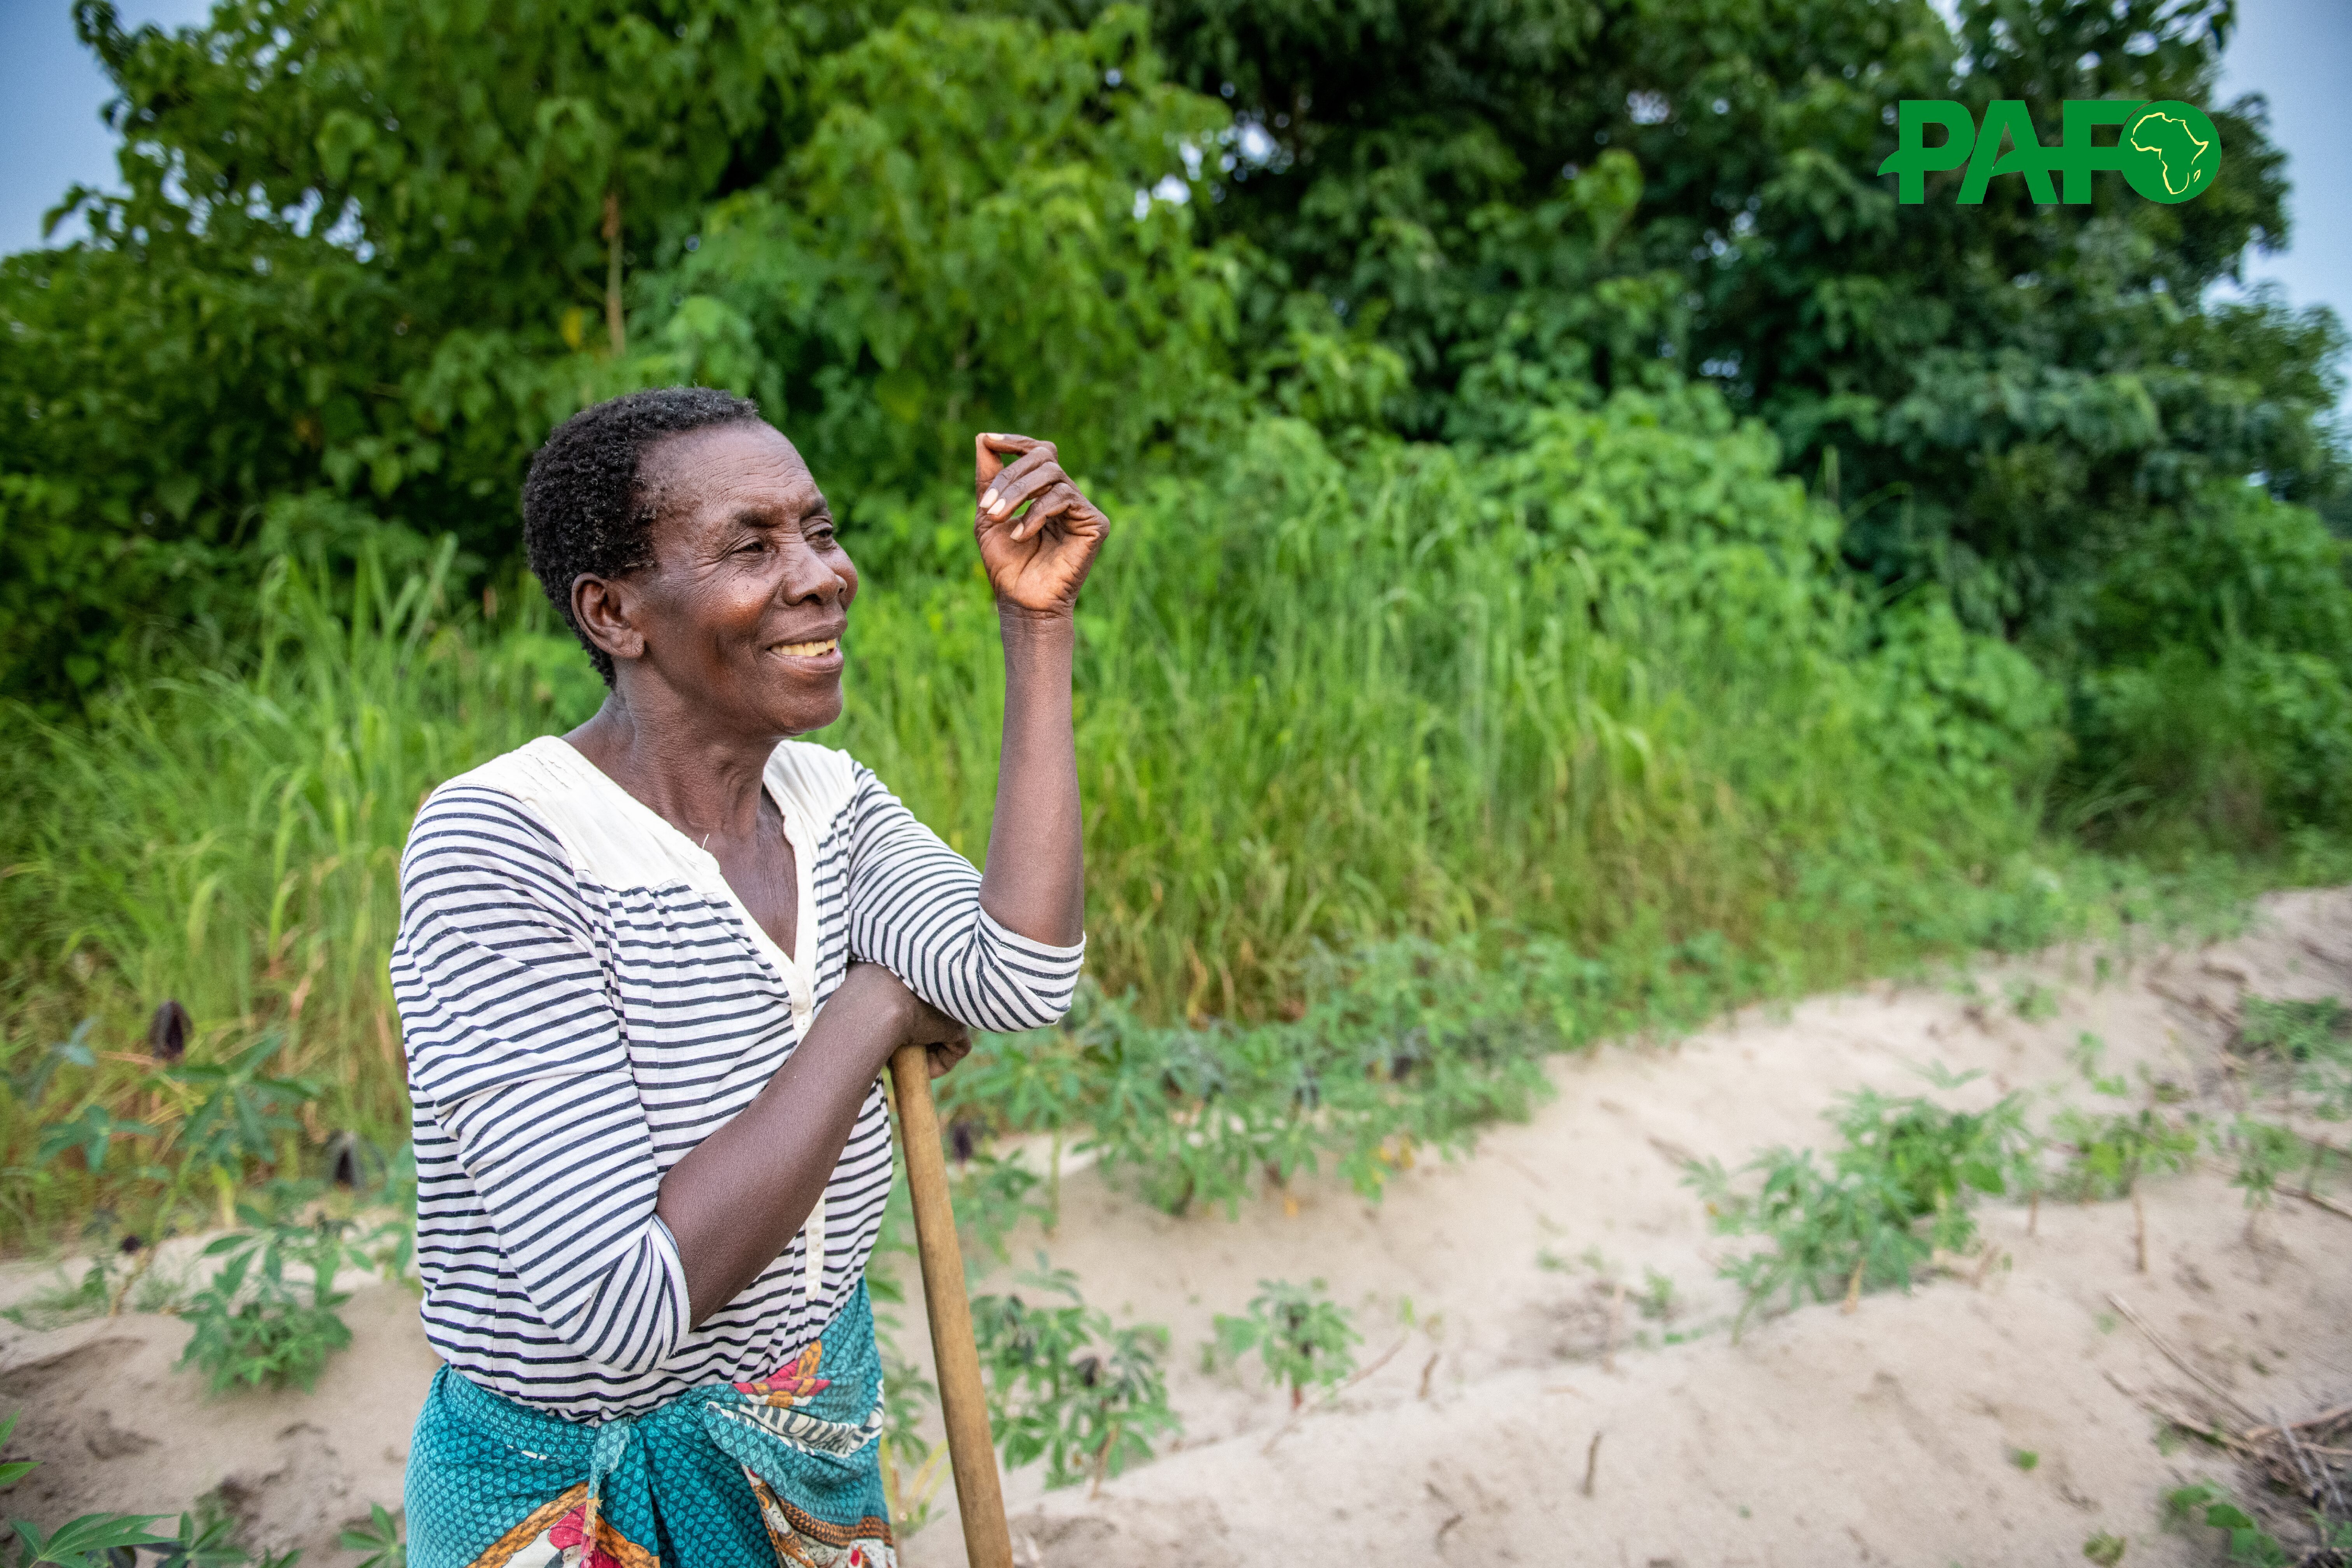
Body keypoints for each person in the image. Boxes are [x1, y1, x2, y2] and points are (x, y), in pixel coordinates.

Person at [388, 386, 1106, 1568]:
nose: (823, 574)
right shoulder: (508, 843)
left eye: (819, 532)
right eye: (750, 545)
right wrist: (870, 1011)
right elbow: (625, 1311)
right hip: (566, 1495)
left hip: (801, 1439)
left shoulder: (829, 808)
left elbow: (1018, 975)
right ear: (614, 612)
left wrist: (1038, 630)